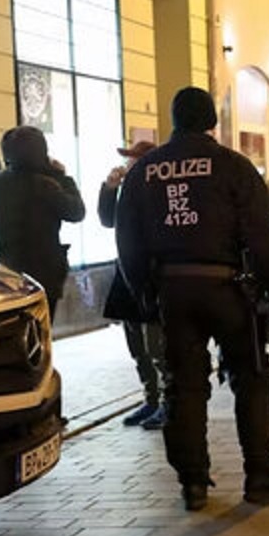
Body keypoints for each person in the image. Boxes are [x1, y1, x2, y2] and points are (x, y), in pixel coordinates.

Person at [115, 86, 269, 511]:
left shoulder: (145, 171)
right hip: (227, 288)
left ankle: (193, 482)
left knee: (183, 386)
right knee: (250, 378)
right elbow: (261, 235)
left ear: (174, 120)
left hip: (172, 291)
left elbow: (127, 239)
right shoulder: (232, 165)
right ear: (212, 121)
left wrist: (144, 293)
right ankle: (261, 474)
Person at [0, 127, 86, 321]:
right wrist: (63, 177)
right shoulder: (47, 184)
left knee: (13, 329)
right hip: (46, 274)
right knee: (41, 328)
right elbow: (76, 212)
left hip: (6, 273)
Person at [100, 140, 171, 428]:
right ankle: (150, 398)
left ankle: (168, 403)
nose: (127, 165)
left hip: (151, 275)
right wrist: (109, 189)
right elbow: (107, 220)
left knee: (156, 346)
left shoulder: (159, 190)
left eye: (133, 159)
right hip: (126, 274)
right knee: (136, 346)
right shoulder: (127, 189)